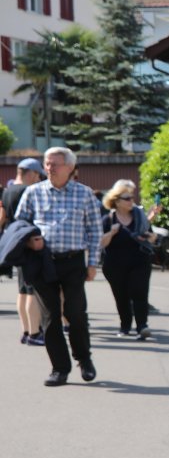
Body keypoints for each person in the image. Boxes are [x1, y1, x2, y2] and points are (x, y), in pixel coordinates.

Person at [13, 147, 102, 386]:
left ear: (70, 167)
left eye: (55, 164)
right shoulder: (33, 192)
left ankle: (84, 359)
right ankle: (59, 369)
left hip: (73, 261)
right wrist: (30, 240)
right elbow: (19, 224)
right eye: (47, 163)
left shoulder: (84, 194)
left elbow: (95, 231)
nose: (50, 168)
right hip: (42, 262)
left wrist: (93, 263)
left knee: (75, 313)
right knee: (50, 317)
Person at [98, 179, 156, 340]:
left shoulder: (139, 217)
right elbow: (101, 243)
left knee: (140, 293)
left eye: (132, 197)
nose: (132, 201)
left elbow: (151, 236)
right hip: (114, 265)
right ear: (117, 201)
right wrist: (111, 233)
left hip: (140, 262)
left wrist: (150, 237)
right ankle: (125, 326)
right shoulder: (108, 219)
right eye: (127, 198)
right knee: (121, 296)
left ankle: (142, 326)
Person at [2, 158, 46, 345]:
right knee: (32, 291)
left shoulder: (7, 191)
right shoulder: (28, 191)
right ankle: (35, 333)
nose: (38, 179)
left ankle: (26, 330)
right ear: (31, 173)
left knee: (22, 289)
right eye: (37, 175)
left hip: (15, 241)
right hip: (28, 242)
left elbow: (3, 217)